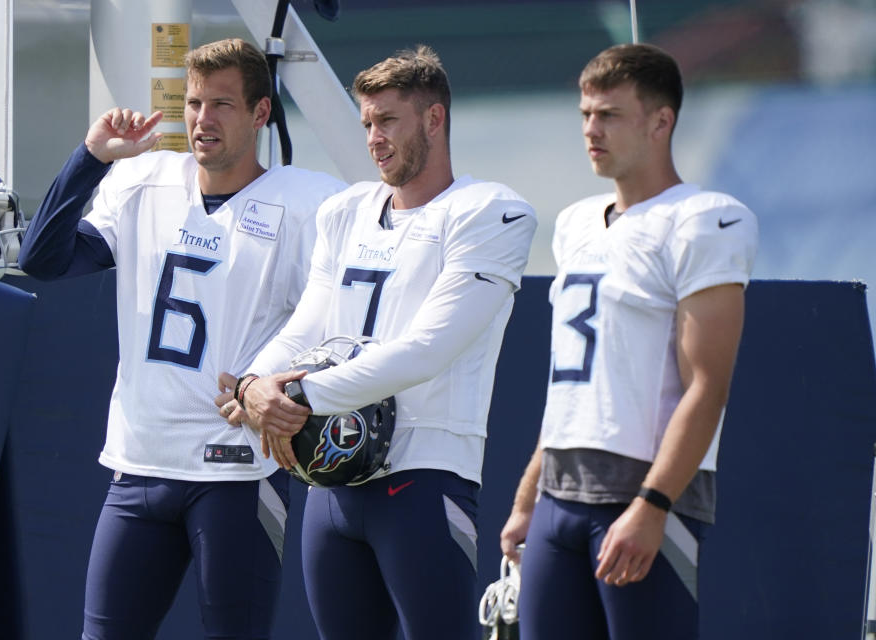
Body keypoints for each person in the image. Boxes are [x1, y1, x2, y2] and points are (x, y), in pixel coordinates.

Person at [17, 38, 345, 640]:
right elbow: (41, 260)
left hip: (237, 472)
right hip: (140, 462)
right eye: (194, 103)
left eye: (222, 104)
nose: (203, 119)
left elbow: (334, 322)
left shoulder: (305, 204)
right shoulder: (144, 181)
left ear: (261, 113)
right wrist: (91, 158)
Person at [216, 45, 537, 639]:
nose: (374, 138)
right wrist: (255, 383)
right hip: (331, 481)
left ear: (434, 119)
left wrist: (297, 399)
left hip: (423, 472)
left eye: (388, 120)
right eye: (366, 123)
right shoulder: (347, 210)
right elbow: (306, 326)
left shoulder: (489, 212)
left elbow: (427, 349)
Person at [499, 43, 758, 639]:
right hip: (559, 493)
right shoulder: (575, 223)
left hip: (639, 492)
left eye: (609, 115)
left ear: (660, 121)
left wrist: (653, 505)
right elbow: (574, 383)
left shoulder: (703, 219)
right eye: (586, 114)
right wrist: (526, 497)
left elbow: (707, 387)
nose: (591, 129)